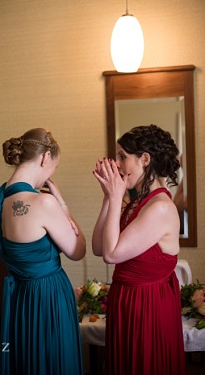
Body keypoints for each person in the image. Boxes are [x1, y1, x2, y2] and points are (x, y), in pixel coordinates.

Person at [92, 124, 184, 374]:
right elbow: (99, 247)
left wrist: (115, 198)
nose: (117, 164)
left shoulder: (160, 207)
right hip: (126, 301)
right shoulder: (137, 203)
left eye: (122, 156)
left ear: (145, 159)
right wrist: (107, 198)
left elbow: (111, 255)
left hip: (147, 306)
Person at [0, 128, 85, 374]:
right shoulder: (44, 202)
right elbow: (78, 251)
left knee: (28, 361)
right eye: (53, 167)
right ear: (45, 157)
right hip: (49, 297)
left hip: (20, 297)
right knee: (53, 361)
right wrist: (62, 203)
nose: (50, 175)